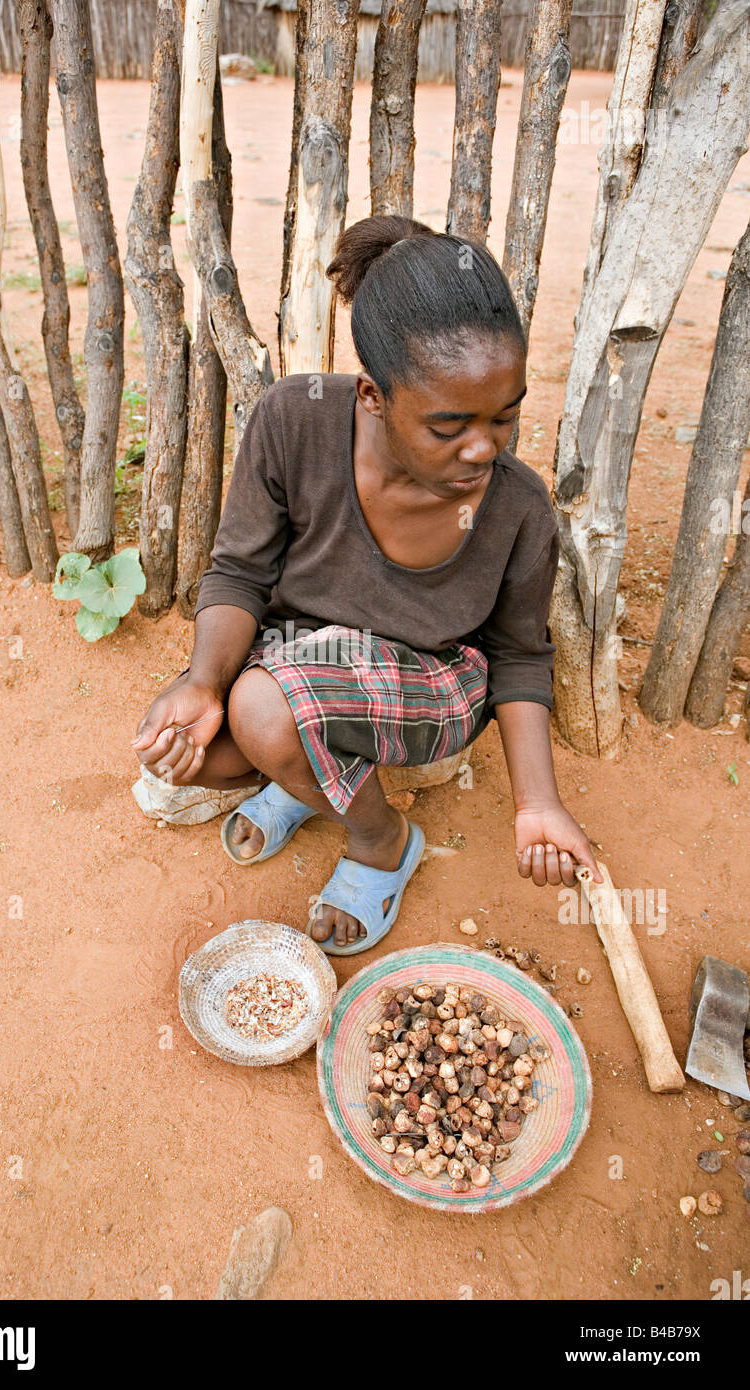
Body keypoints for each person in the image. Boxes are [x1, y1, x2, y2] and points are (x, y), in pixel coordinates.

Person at [133, 215, 602, 956]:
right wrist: (200, 682)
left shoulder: (514, 507)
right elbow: (240, 570)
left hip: (433, 680)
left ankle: (381, 840)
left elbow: (518, 656)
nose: (482, 447)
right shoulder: (295, 420)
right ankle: (301, 771)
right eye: (449, 426)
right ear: (373, 397)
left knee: (259, 710)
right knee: (202, 749)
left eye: (503, 418)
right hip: (299, 655)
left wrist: (538, 801)